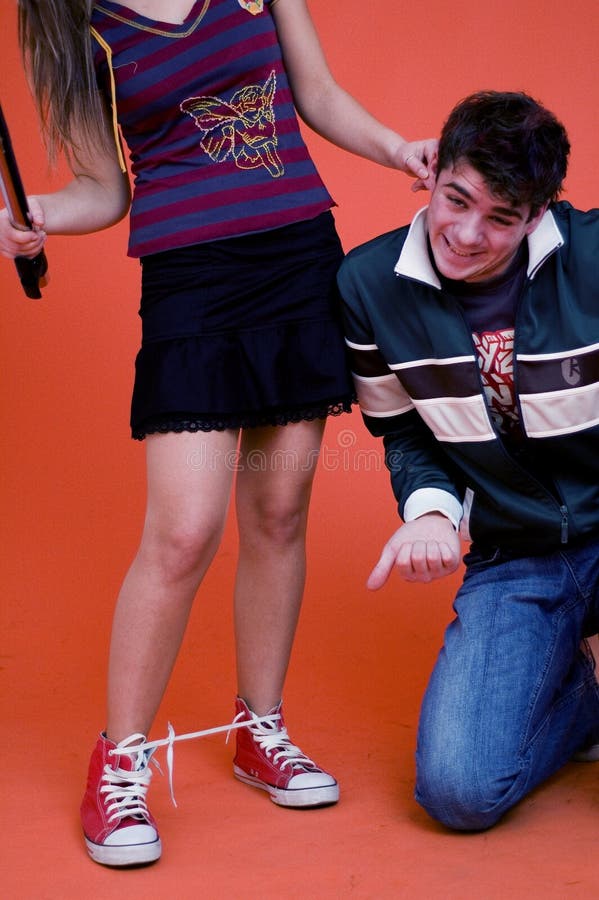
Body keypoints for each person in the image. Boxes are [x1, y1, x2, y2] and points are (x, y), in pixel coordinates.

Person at [0, 0, 436, 867]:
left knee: (278, 512)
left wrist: (397, 149)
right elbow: (106, 190)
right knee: (184, 530)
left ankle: (258, 729)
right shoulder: (77, 23)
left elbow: (314, 92)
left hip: (297, 260)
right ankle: (119, 762)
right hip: (191, 285)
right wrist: (33, 212)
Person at [338, 90, 599, 832]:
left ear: (538, 215)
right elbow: (405, 434)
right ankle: (581, 699)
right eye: (456, 199)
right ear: (432, 173)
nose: (466, 234)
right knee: (458, 790)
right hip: (516, 552)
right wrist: (429, 511)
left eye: (501, 218)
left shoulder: (591, 257)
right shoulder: (368, 286)